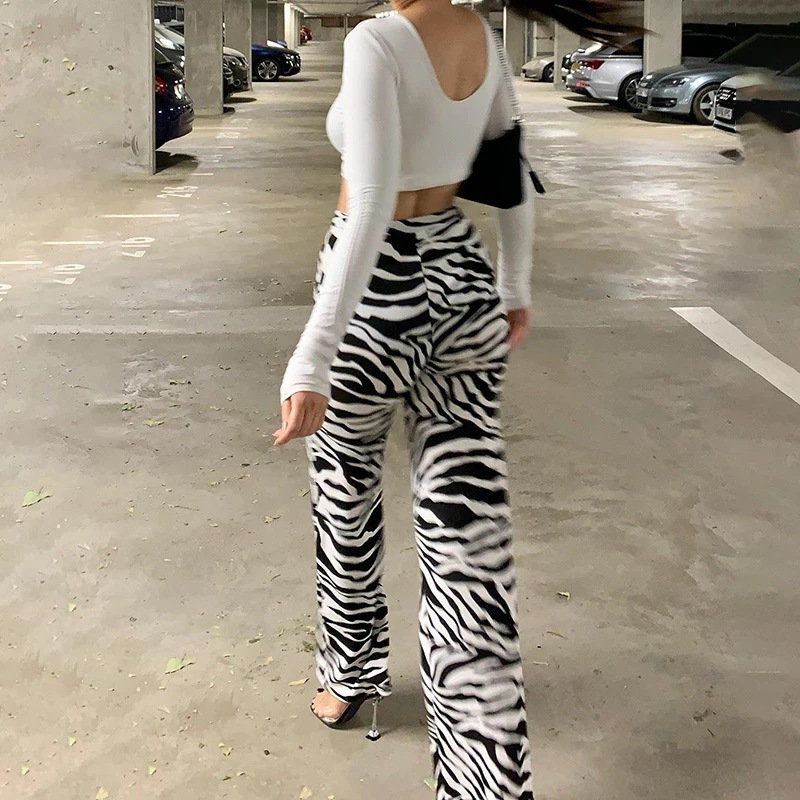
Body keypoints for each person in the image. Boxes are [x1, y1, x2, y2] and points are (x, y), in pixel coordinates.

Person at [275, 1, 642, 797]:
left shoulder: (377, 41)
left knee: (346, 498)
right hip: (461, 282)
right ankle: (485, 777)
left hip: (373, 300)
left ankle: (350, 673)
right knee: (469, 537)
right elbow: (511, 168)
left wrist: (312, 355)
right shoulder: (482, 37)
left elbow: (372, 198)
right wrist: (513, 284)